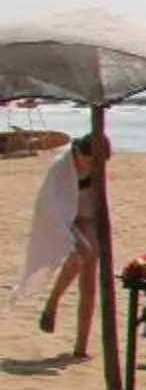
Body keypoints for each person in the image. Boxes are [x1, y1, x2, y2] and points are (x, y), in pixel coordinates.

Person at [15, 134, 107, 356]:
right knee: (79, 253)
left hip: (88, 220)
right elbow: (48, 205)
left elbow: (100, 198)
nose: (94, 165)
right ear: (79, 153)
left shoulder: (96, 164)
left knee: (89, 283)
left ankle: (80, 348)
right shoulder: (61, 167)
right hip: (61, 219)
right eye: (90, 160)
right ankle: (52, 303)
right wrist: (65, 231)